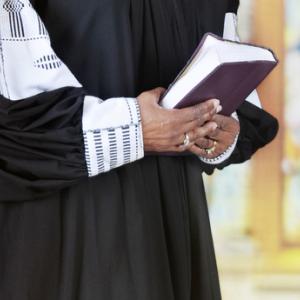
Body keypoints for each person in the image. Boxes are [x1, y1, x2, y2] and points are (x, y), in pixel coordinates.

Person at [0, 0, 278, 299]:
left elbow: (223, 66)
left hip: (175, 219)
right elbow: (13, 118)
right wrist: (135, 128)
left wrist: (218, 129)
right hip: (64, 225)